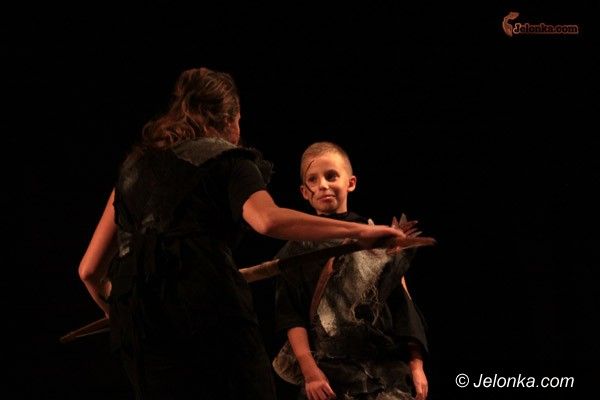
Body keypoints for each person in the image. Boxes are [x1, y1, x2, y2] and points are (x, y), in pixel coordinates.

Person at [77, 68, 410, 400]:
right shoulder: (226, 158)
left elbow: (89, 271)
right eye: (239, 120)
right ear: (229, 118)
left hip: (140, 326)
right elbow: (268, 220)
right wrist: (358, 232)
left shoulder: (133, 170)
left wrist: (118, 309)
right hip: (208, 310)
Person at [273, 142, 430, 400]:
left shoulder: (376, 237)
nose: (323, 185)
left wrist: (416, 365)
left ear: (351, 182)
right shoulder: (297, 249)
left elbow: (402, 306)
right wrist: (310, 371)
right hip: (328, 373)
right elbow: (291, 316)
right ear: (304, 192)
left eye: (331, 176)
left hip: (384, 370)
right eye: (313, 180)